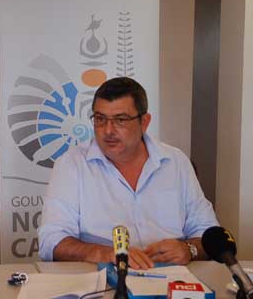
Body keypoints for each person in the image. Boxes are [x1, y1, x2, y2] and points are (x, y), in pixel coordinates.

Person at [38, 77, 218, 269]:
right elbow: (51, 241)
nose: (108, 130)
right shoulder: (71, 164)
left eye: (120, 120)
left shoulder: (176, 162)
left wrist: (189, 249)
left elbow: (210, 235)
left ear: (144, 122)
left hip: (172, 277)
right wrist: (105, 254)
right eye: (100, 119)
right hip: (103, 276)